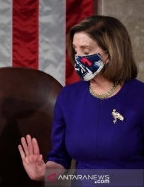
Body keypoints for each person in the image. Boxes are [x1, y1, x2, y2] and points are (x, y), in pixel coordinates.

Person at [18, 15, 144, 186]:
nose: (78, 59)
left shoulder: (139, 96)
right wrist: (45, 174)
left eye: (85, 52)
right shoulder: (68, 97)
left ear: (110, 54)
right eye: (75, 50)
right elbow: (60, 159)